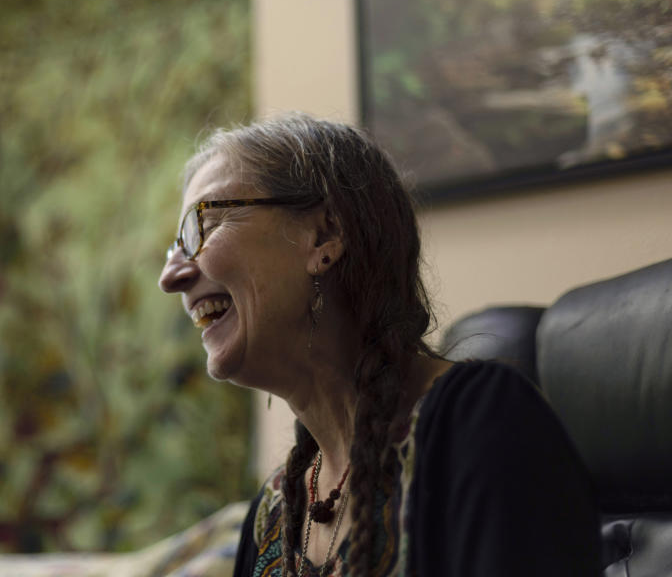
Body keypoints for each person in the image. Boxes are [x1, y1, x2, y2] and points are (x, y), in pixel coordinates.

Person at [158, 114, 600, 576]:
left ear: (324, 236)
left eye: (201, 225)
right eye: (175, 249)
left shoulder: (482, 425)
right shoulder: (272, 518)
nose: (170, 277)